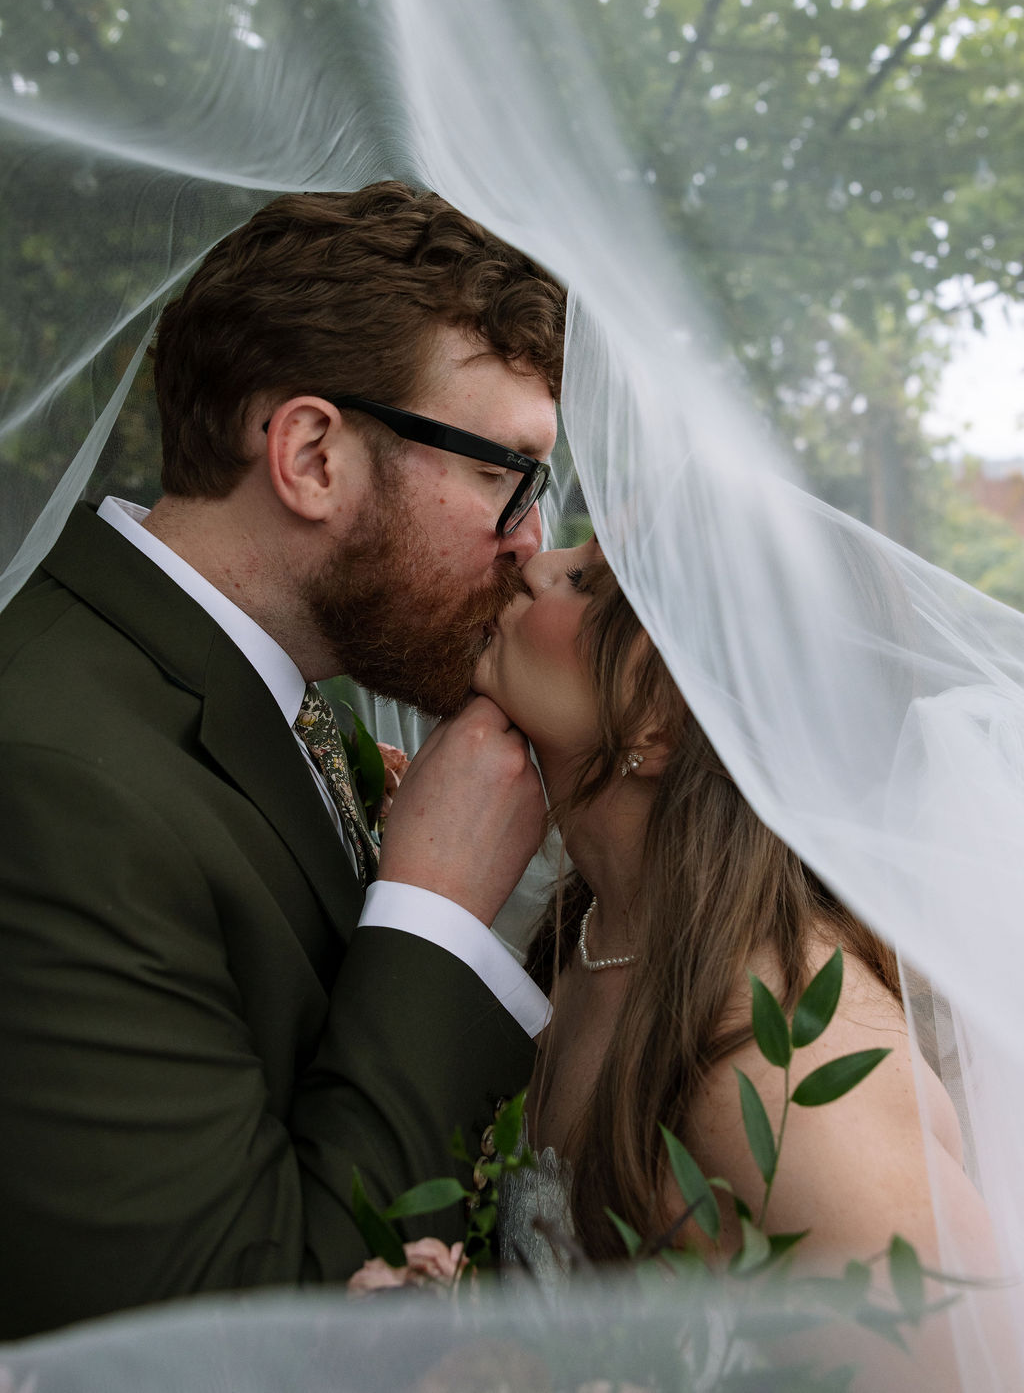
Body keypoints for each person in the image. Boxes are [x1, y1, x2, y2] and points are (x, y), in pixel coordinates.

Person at [0, 183, 567, 1339]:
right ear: (311, 454)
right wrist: (436, 914)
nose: (531, 544)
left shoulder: (260, 702)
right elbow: (214, 1337)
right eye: (507, 472)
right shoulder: (52, 778)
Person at [473, 535, 1002, 1381]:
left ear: (667, 723)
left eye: (586, 581)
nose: (532, 562)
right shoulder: (587, 931)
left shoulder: (790, 1061)